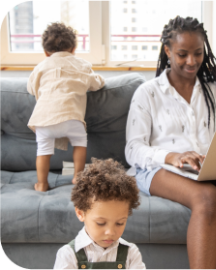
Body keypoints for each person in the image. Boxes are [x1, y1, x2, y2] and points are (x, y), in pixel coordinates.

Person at [125, 16, 216, 270]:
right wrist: (172, 156)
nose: (192, 61)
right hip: (159, 169)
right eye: (182, 54)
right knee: (208, 198)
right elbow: (133, 149)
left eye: (198, 53)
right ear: (167, 51)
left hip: (209, 168)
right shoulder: (148, 93)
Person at [27, 22, 105, 192]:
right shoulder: (82, 65)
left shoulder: (41, 66)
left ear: (46, 52)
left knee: (43, 150)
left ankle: (42, 184)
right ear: (74, 48)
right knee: (79, 142)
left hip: (44, 119)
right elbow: (96, 83)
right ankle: (77, 176)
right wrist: (100, 79)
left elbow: (31, 87)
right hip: (71, 117)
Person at [54, 158, 146, 270]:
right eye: (101, 223)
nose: (110, 232)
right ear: (80, 213)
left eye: (119, 223)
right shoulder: (69, 255)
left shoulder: (130, 253)